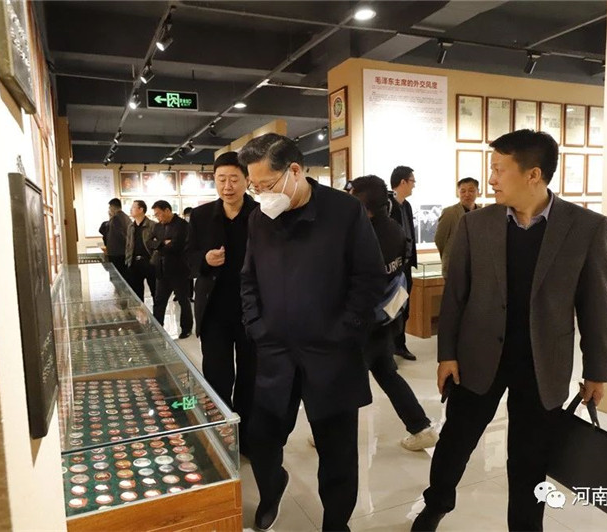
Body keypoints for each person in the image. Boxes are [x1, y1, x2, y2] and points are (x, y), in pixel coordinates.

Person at [412, 129, 607, 532]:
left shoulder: (586, 227)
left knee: (530, 459)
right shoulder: (476, 225)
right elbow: (456, 296)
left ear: (533, 174)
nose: (491, 179)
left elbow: (594, 305)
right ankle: (436, 505)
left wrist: (597, 370)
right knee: (455, 444)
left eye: (499, 170)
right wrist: (446, 354)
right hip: (478, 357)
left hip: (543, 364)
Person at [239, 134, 385, 532]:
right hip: (275, 350)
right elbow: (249, 278)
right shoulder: (259, 218)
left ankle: (336, 524)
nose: (260, 194)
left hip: (331, 353)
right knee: (262, 437)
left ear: (295, 171)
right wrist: (256, 326)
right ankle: (272, 490)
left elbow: (369, 276)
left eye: (266, 185)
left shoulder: (344, 210)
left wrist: (345, 330)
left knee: (337, 452)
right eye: (254, 187)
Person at [349, 175, 439, 451]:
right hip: (386, 318)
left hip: (361, 322)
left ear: (362, 204)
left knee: (346, 382)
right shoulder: (394, 229)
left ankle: (330, 435)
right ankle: (420, 427)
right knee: (387, 373)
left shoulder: (361, 237)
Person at [187, 152, 258, 454]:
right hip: (214, 310)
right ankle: (222, 435)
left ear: (247, 180)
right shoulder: (201, 216)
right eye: (221, 179)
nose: (227, 186)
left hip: (253, 310)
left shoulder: (261, 214)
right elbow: (188, 258)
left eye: (234, 179)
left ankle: (248, 438)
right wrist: (204, 259)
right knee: (217, 376)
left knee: (251, 376)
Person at [147, 200, 193, 339]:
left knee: (183, 301)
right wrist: (163, 243)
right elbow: (149, 242)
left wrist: (159, 244)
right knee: (159, 301)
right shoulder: (157, 226)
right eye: (155, 215)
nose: (157, 217)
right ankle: (157, 328)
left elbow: (176, 245)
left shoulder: (182, 225)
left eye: (159, 214)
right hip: (161, 269)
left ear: (167, 210)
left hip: (178, 270)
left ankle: (186, 328)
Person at [389, 166, 418, 361]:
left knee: (404, 307)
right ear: (403, 182)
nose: (414, 185)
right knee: (391, 308)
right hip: (394, 266)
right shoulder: (388, 205)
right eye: (412, 181)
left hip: (406, 265)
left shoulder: (406, 205)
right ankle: (388, 348)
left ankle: (400, 344)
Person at [434, 177, 480, 278]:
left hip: (476, 268)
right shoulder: (449, 213)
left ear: (478, 192)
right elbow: (440, 240)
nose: (467, 194)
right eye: (463, 191)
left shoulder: (482, 213)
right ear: (458, 193)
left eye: (471, 190)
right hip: (454, 267)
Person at [124, 200, 157, 301]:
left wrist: (154, 260)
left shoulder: (152, 225)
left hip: (149, 263)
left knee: (155, 292)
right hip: (134, 263)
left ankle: (157, 311)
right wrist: (128, 261)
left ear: (141, 209)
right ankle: (141, 311)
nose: (131, 209)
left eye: (133, 207)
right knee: (137, 294)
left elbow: (157, 245)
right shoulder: (130, 226)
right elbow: (128, 245)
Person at [106, 198, 131, 275]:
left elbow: (120, 235)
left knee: (117, 276)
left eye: (109, 207)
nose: (109, 210)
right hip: (123, 252)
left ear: (112, 207)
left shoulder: (116, 218)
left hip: (116, 253)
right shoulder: (126, 217)